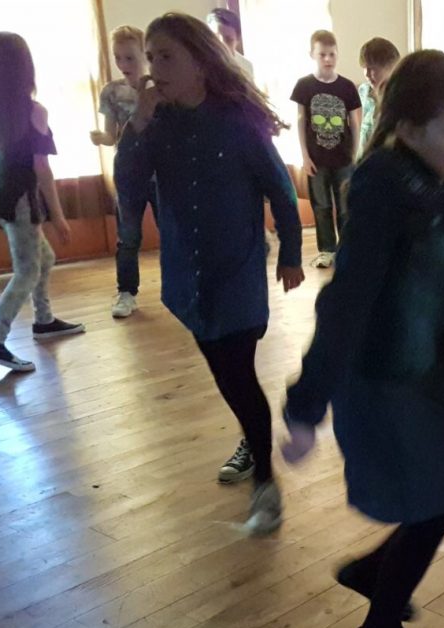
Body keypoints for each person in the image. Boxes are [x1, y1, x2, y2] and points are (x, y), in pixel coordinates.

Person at [281, 51, 444, 628]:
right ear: (408, 129)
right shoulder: (383, 188)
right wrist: (306, 407)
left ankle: (374, 570)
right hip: (385, 375)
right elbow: (347, 302)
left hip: (442, 364)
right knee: (433, 499)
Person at [117, 12, 304, 532]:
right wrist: (136, 127)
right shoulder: (155, 126)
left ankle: (264, 480)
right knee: (227, 374)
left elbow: (280, 189)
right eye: (150, 58)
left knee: (238, 372)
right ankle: (252, 435)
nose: (154, 68)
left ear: (200, 63)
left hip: (238, 273)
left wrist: (291, 252)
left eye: (166, 57)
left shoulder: (238, 121)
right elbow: (128, 191)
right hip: (188, 277)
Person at [0, 33, 83, 372]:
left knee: (43, 258)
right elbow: (42, 169)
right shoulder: (34, 111)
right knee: (27, 270)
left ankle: (44, 321)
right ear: (25, 68)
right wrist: (59, 217)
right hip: (20, 196)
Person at [91, 24, 154, 321]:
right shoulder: (112, 92)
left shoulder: (159, 88)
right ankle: (126, 292)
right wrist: (100, 138)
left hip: (161, 172)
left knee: (174, 232)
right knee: (128, 236)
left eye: (130, 57)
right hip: (128, 172)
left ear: (144, 54)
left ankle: (187, 286)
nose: (123, 64)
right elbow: (112, 135)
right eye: (118, 57)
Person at [291, 29, 362, 269]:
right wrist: (304, 156)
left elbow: (354, 123)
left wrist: (355, 154)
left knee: (344, 207)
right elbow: (301, 120)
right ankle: (327, 250)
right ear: (312, 54)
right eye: (322, 54)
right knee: (321, 206)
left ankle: (347, 249)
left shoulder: (347, 87)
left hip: (343, 159)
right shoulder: (304, 86)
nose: (328, 59)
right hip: (316, 159)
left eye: (332, 54)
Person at [356, 37, 400, 158]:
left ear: (390, 66)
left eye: (372, 68)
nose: (367, 74)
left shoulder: (399, 95)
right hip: (363, 158)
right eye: (365, 68)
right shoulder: (363, 91)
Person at [206, 8, 255, 81]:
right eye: (215, 38)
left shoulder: (246, 67)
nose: (222, 45)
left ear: (237, 40)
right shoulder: (198, 64)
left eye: (229, 40)